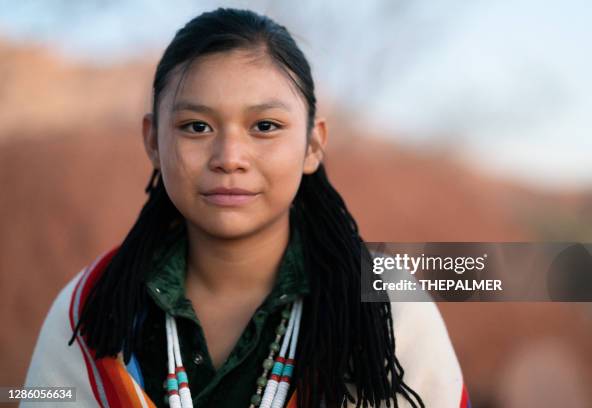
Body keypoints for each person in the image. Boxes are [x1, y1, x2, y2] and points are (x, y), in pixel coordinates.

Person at [22, 7, 469, 408]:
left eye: (265, 126)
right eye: (195, 126)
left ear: (314, 144)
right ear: (152, 141)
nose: (229, 156)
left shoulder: (387, 305)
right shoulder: (91, 307)